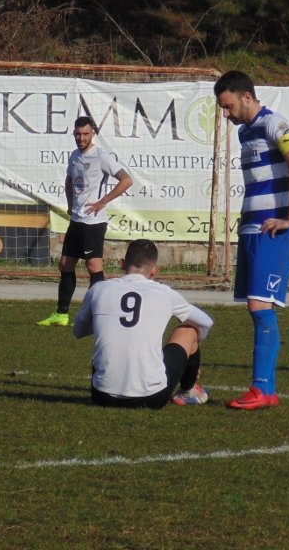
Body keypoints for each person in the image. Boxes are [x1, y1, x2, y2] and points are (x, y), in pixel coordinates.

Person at [213, 70, 289, 410]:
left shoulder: (273, 123)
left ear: (246, 97)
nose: (226, 115)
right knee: (256, 308)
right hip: (251, 230)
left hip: (273, 231)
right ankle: (263, 390)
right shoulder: (245, 133)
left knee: (260, 306)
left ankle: (262, 390)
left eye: (227, 106)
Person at [73, 239, 213, 408]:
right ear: (154, 271)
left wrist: (107, 321)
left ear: (122, 264)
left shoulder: (99, 289)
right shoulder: (165, 293)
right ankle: (188, 392)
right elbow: (206, 322)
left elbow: (78, 331)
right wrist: (192, 349)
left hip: (102, 395)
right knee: (189, 330)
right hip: (151, 397)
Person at [37, 115, 133, 327]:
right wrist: (71, 203)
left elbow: (126, 180)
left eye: (85, 134)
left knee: (93, 266)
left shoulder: (101, 156)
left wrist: (103, 201)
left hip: (94, 222)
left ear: (93, 134)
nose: (81, 138)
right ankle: (61, 314)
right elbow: (70, 180)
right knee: (65, 264)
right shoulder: (74, 156)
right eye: (78, 134)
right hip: (77, 220)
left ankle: (95, 314)